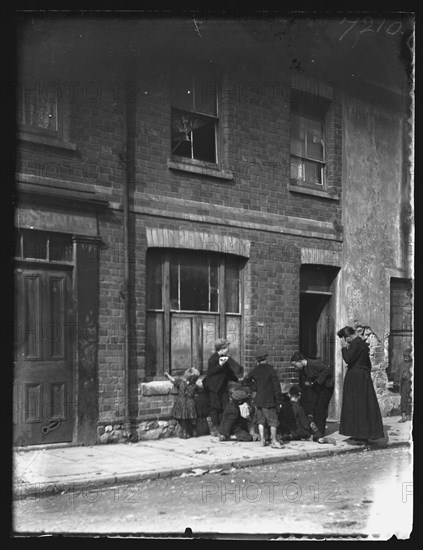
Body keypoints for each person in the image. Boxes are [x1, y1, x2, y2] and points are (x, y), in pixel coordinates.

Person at [337, 326, 384, 444]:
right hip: (361, 377)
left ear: (347, 337)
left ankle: (361, 434)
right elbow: (368, 364)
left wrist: (343, 347)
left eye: (344, 339)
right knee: (359, 405)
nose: (345, 341)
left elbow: (347, 359)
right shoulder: (361, 343)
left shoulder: (356, 343)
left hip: (356, 378)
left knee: (357, 405)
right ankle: (359, 433)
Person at [243, 348, 283, 449]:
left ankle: (262, 440)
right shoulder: (271, 369)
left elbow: (245, 381)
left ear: (257, 360)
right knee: (273, 421)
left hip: (258, 400)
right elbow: (276, 386)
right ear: (266, 358)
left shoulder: (255, 370)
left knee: (261, 421)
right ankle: (274, 441)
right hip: (269, 400)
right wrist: (279, 400)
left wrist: (255, 387)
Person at [202, 338, 242, 436]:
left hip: (222, 388)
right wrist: (220, 365)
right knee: (215, 408)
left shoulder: (224, 358)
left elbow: (228, 372)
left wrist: (237, 380)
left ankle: (224, 428)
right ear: (223, 348)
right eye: (227, 347)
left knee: (226, 407)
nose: (229, 349)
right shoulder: (213, 358)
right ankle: (215, 429)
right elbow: (210, 373)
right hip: (214, 388)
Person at [290, 351, 334, 437]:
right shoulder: (303, 369)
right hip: (318, 388)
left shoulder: (313, 364)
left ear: (300, 361)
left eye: (295, 365)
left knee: (321, 408)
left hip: (326, 387)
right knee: (315, 407)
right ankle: (316, 430)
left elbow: (327, 370)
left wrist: (317, 382)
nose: (295, 368)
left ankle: (321, 431)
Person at [164, 368, 200, 439]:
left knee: (183, 418)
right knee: (193, 417)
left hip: (181, 402)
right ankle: (194, 431)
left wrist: (168, 375)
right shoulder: (194, 386)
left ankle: (184, 433)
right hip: (190, 403)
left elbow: (173, 380)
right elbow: (197, 392)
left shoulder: (181, 383)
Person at [398, 347, 412, 423]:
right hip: (404, 385)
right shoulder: (401, 364)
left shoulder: (412, 364)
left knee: (410, 400)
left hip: (411, 384)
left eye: (408, 356)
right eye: (404, 356)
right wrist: (396, 382)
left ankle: (409, 415)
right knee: (403, 400)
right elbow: (397, 373)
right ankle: (403, 416)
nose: (406, 358)